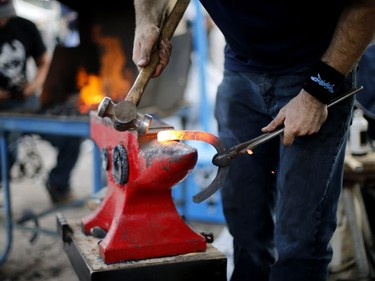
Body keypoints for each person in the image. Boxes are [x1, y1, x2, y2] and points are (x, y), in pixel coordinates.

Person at [132, 1, 375, 280]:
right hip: (240, 71)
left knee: (300, 239)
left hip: (317, 70)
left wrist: (317, 93)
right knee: (246, 228)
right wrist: (146, 21)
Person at [0, 0, 81, 204]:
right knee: (5, 152)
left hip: (26, 103)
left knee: (70, 136)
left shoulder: (24, 26)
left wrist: (35, 84)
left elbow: (44, 60)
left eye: (5, 16)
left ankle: (58, 185)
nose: (3, 21)